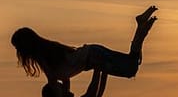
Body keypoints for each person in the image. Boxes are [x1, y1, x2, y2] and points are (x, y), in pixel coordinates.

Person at [12, 6, 157, 83]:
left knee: (130, 68)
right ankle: (141, 25)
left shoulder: (43, 56)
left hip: (93, 56)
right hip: (93, 52)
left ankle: (141, 26)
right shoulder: (49, 49)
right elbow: (63, 79)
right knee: (131, 63)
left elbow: (52, 79)